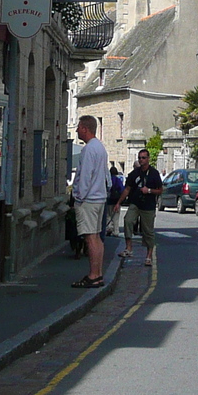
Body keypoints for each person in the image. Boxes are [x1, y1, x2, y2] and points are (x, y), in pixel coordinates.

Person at [70, 116, 108, 288]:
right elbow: (105, 176)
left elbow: (85, 175)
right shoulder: (100, 148)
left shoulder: (88, 150)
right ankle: (98, 274)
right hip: (99, 197)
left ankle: (93, 275)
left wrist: (78, 196)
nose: (77, 130)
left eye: (79, 127)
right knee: (97, 237)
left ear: (85, 128)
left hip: (89, 200)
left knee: (90, 238)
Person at [119, 149, 163, 267]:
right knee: (128, 220)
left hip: (148, 205)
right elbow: (127, 189)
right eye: (139, 158)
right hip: (135, 203)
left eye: (143, 158)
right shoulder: (134, 173)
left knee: (148, 231)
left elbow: (160, 190)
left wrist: (148, 190)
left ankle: (149, 256)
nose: (141, 160)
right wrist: (119, 203)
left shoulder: (154, 173)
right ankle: (128, 248)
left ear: (148, 159)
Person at [106, 163, 124, 236]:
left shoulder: (108, 180)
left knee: (108, 215)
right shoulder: (118, 180)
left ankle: (108, 228)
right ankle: (116, 231)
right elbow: (122, 189)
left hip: (109, 200)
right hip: (116, 200)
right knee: (116, 217)